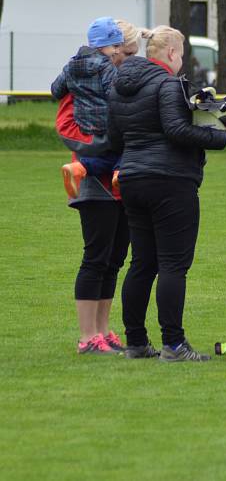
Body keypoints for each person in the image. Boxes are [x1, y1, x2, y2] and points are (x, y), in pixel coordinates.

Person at [108, 25, 226, 362]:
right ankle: (174, 344)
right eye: (181, 53)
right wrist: (222, 138)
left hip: (133, 178)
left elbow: (113, 137)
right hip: (170, 181)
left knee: (142, 263)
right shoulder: (167, 84)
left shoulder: (118, 85)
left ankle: (136, 342)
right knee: (173, 265)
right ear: (171, 53)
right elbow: (176, 130)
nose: (181, 61)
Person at [54, 19, 143, 354]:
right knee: (96, 257)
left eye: (131, 52)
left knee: (115, 259)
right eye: (123, 51)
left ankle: (103, 332)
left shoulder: (92, 71)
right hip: (94, 182)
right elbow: (66, 122)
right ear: (112, 47)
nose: (125, 57)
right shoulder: (99, 77)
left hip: (120, 179)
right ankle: (87, 335)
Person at [52, 17, 128, 198]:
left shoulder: (70, 66)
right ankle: (119, 172)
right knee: (129, 144)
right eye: (114, 46)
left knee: (105, 154)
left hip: (84, 124)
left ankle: (80, 168)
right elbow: (114, 96)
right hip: (105, 125)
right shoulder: (107, 67)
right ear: (103, 46)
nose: (117, 51)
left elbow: (56, 90)